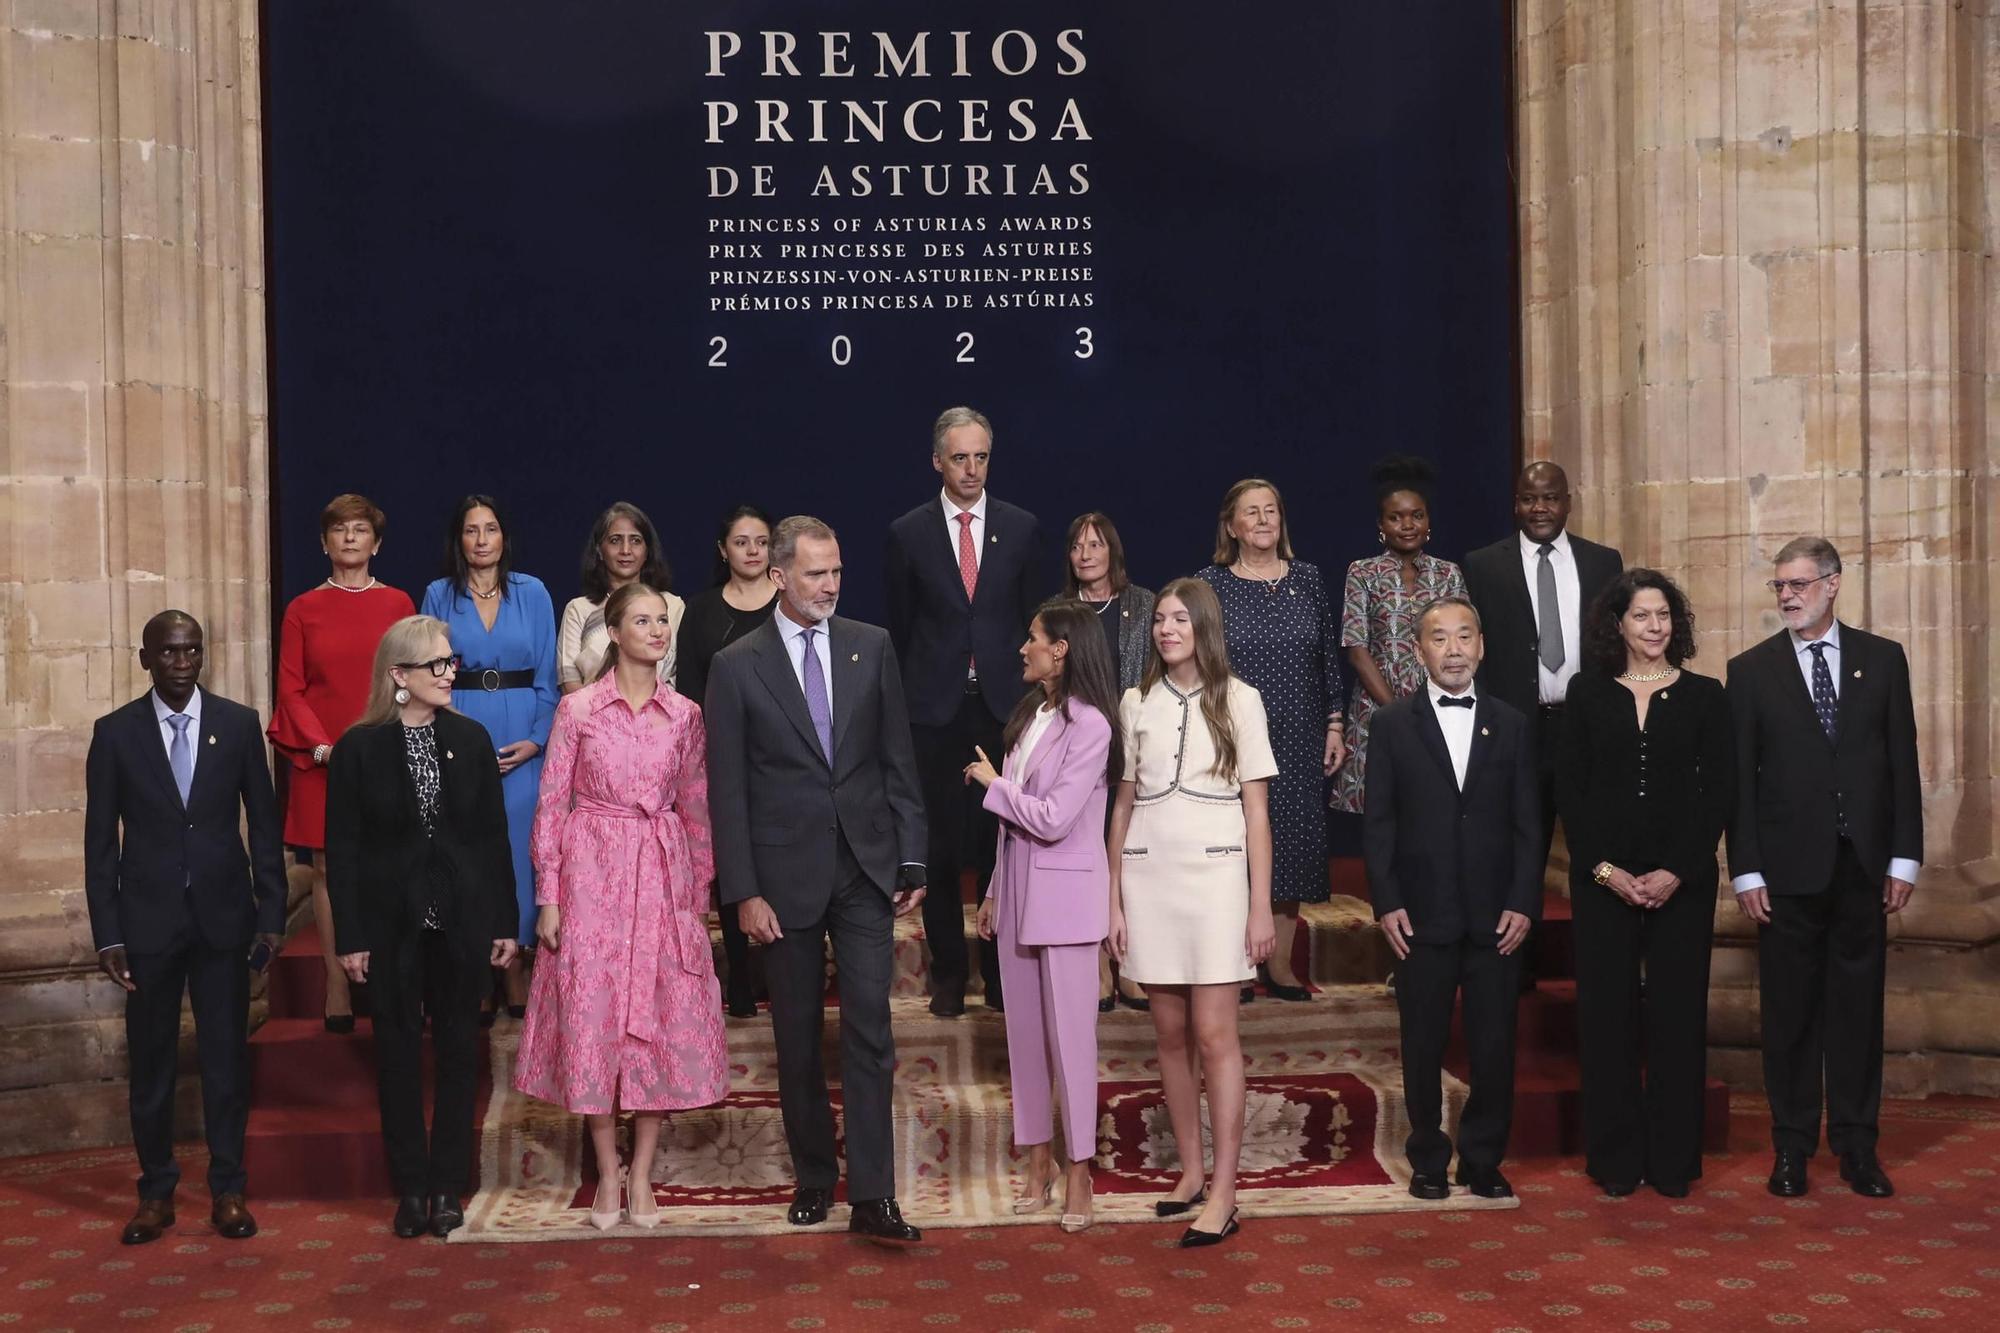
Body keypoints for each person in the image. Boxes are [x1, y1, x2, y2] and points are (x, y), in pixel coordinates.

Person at [705, 516, 930, 1244]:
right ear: (778, 576)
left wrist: (913, 854)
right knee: (797, 1035)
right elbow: (727, 791)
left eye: (836, 571)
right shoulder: (736, 664)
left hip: (865, 869)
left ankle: (873, 1193)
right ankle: (813, 1177)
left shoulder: (873, 645)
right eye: (814, 573)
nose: (830, 585)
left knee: (872, 1029)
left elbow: (899, 757)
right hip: (781, 879)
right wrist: (742, 890)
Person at [516, 583, 728, 1230]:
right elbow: (551, 805)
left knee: (657, 1020)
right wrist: (548, 896)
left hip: (660, 874)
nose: (658, 629)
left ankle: (642, 1172)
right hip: (590, 874)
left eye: (663, 619)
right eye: (643, 619)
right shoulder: (579, 709)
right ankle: (607, 1169)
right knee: (593, 1015)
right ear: (614, 632)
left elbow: (696, 808)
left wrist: (697, 896)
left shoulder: (685, 713)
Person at [1727, 537, 1922, 1200]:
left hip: (1863, 868)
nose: (1787, 595)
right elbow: (1741, 786)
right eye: (1780, 585)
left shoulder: (1883, 660)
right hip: (1784, 875)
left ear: (1833, 584)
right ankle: (1792, 1147)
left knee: (1857, 1015)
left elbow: (1902, 765)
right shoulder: (1749, 672)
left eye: (1800, 584)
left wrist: (1905, 854)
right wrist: (1746, 869)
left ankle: (1858, 1146)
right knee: (1789, 1016)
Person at [84, 611, 287, 1246]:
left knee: (227, 1060)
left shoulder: (238, 724)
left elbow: (266, 826)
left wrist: (273, 916)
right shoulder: (114, 734)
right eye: (169, 651)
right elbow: (99, 845)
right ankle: (156, 1193)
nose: (182, 660)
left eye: (192, 649)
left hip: (226, 922)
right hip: (146, 927)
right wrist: (108, 935)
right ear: (145, 658)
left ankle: (228, 1188)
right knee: (152, 1065)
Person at [324, 615, 520, 1239]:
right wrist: (350, 937)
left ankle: (446, 1187)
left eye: (450, 661)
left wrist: (503, 922)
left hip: (459, 925)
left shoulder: (471, 736)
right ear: (398, 676)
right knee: (398, 1058)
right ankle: (410, 1187)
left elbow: (494, 842)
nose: (449, 672)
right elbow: (343, 850)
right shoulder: (359, 747)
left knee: (461, 1055)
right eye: (436, 664)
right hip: (389, 928)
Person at [1108, 578, 1279, 1248]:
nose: (1165, 628)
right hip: (1150, 875)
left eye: (1179, 618)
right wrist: (1112, 895)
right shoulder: (1135, 701)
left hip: (1215, 880)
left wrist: (1260, 904)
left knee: (1215, 1034)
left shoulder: (1242, 700)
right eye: (1159, 619)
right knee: (1169, 1032)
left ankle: (1227, 1192)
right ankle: (1189, 1172)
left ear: (1204, 625)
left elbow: (1258, 811)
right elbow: (1121, 805)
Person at [1556, 570, 1733, 1197]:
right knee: (1607, 1021)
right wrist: (1605, 870)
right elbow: (1569, 790)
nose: (1655, 627)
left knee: (1677, 1021)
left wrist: (1676, 870)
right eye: (1642, 616)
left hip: (1680, 882)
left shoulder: (1707, 695)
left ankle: (1672, 1161)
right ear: (1618, 625)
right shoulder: (1586, 693)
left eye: (1664, 616)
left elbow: (1719, 792)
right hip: (1603, 880)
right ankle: (1614, 1160)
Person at [1364, 596, 1540, 1202]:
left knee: (1494, 1043)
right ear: (1420, 651)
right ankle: (1428, 1159)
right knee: (1422, 1042)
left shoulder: (1513, 724)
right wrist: (1386, 902)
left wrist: (1523, 901)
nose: (1455, 648)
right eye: (1440, 638)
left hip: (1498, 918)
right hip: (1420, 913)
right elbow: (1379, 821)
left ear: (1482, 646)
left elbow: (1528, 824)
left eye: (1465, 636)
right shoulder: (1389, 726)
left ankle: (1484, 1159)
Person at [886, 406, 1047, 1018]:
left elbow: (1035, 622)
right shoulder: (908, 532)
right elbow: (902, 629)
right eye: (960, 457)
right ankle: (949, 978)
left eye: (981, 456)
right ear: (937, 461)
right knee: (942, 848)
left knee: (1002, 844)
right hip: (934, 712)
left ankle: (1004, 979)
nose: (972, 468)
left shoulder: (1022, 526)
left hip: (1005, 709)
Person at [967, 598, 1121, 1233]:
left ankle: (1080, 1168)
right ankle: (1039, 1162)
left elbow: (1054, 817)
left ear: (1061, 650)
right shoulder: (1033, 713)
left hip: (1066, 899)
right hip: (1021, 892)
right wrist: (996, 890)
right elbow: (1015, 833)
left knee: (1071, 1044)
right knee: (1024, 1040)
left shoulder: (1092, 726)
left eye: (1031, 638)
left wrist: (991, 784)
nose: (1022, 648)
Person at [266, 493, 415, 1031]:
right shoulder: (303, 609)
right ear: (323, 542)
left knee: (394, 863)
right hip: (323, 757)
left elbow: (411, 676)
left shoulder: (399, 603)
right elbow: (291, 688)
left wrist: (381, 741)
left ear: (377, 542)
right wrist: (324, 746)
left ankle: (396, 977)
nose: (350, 537)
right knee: (330, 869)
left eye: (360, 529)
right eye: (339, 529)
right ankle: (336, 983)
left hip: (388, 753)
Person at [1195, 480, 1344, 1002]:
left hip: (1301, 736)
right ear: (1231, 526)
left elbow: (1327, 653)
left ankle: (1278, 965)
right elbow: (1198, 664)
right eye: (1250, 513)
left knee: (1295, 849)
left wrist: (1334, 723)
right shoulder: (1209, 584)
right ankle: (1235, 966)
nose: (1262, 520)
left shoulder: (1307, 578)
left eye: (1271, 511)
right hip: (1232, 739)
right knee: (1234, 850)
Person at [420, 495, 558, 1019]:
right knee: (467, 851)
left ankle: (516, 968)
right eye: (472, 531)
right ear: (459, 539)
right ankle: (476, 967)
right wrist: (454, 741)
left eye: (491, 529)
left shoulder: (534, 592)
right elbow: (429, 672)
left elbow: (548, 677)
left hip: (522, 736)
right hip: (460, 729)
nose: (481, 540)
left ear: (504, 538)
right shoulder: (438, 594)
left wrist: (537, 739)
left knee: (522, 853)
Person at [1461, 460, 1623, 871]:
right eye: (1529, 499)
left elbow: (1614, 644)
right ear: (1516, 505)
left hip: (1584, 726)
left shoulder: (1604, 562)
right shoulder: (1483, 565)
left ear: (1567, 504)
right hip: (1515, 728)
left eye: (1550, 498)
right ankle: (1519, 936)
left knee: (1597, 849)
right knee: (1519, 857)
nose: (1540, 508)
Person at [675, 504, 778, 1019]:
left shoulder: (790, 604)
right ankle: (738, 975)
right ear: (723, 550)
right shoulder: (702, 610)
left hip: (785, 760)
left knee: (780, 865)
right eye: (742, 542)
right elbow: (690, 694)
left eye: (762, 541)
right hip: (723, 756)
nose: (753, 551)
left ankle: (782, 972)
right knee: (731, 866)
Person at [1329, 457, 1467, 816]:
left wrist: (1428, 712)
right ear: (1381, 525)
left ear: (1428, 521)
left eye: (1416, 515)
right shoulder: (1363, 572)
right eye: (1396, 517)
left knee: (1435, 814)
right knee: (1381, 820)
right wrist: (1400, 715)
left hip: (1440, 712)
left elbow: (1463, 646)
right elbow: (1357, 650)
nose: (1407, 525)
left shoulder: (1448, 574)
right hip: (1378, 714)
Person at [1061, 511, 1153, 1012]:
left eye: (1095, 545)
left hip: (1136, 742)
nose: (1086, 555)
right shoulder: (1057, 611)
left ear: (1112, 550)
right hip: (1079, 747)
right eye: (1077, 547)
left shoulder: (1145, 605)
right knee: (1091, 856)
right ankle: (1097, 962)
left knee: (1132, 855)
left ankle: (1131, 962)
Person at [557, 501, 687, 692]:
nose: (626, 550)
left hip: (659, 717)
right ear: (600, 550)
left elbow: (680, 676)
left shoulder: (673, 606)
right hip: (591, 718)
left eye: (635, 540)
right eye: (615, 540)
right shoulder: (578, 609)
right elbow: (569, 682)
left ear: (648, 551)